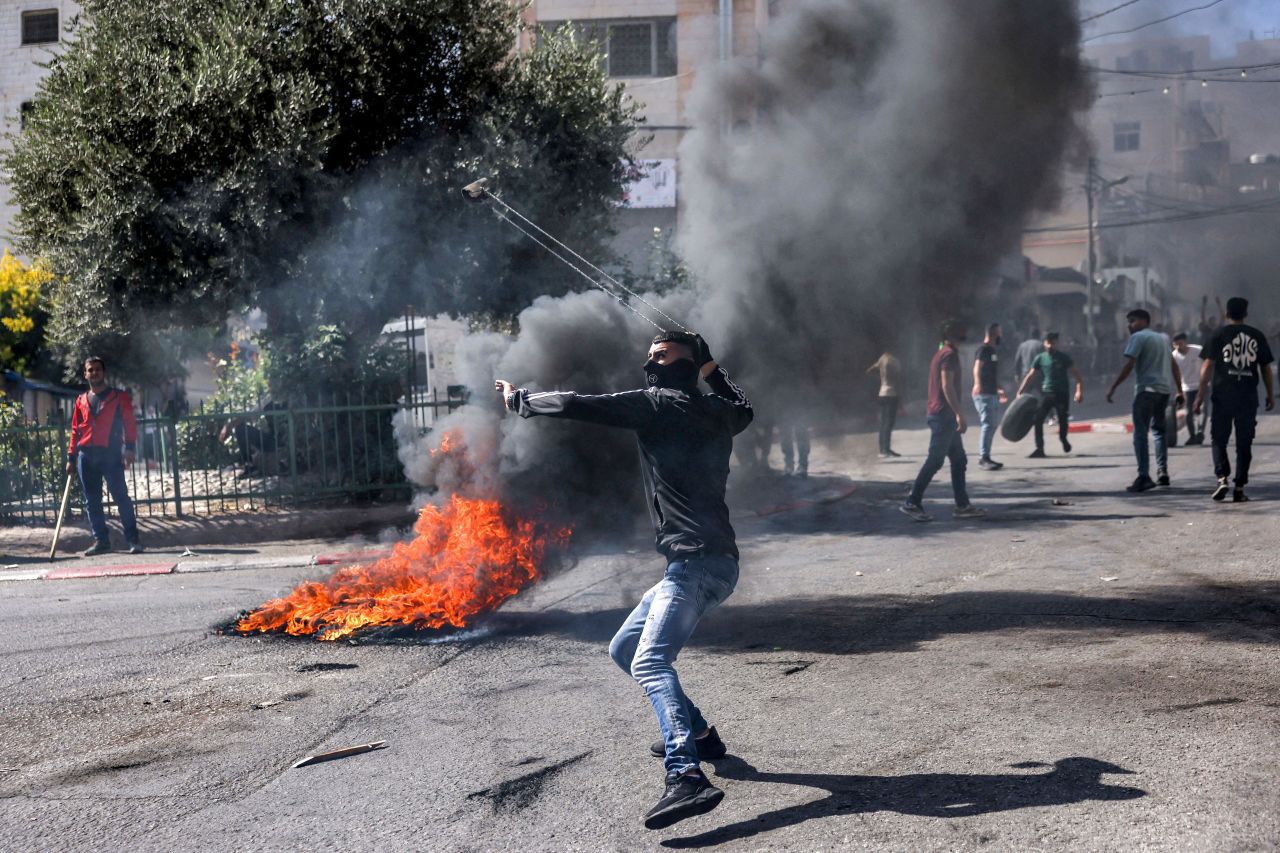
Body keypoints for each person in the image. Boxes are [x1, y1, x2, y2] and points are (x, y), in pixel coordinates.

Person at [495, 330, 752, 830]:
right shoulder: (720, 411)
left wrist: (518, 400)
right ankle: (700, 735)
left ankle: (686, 776)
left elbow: (579, 403)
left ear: (679, 365)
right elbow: (744, 404)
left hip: (696, 564)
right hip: (712, 565)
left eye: (660, 354)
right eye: (650, 353)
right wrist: (710, 366)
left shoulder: (655, 404)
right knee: (623, 650)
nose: (649, 360)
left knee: (652, 661)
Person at [900, 321, 985, 522]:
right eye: (961, 332)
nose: (964, 335)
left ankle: (962, 506)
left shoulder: (942, 353)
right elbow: (947, 386)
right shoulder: (948, 355)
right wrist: (959, 414)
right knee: (935, 460)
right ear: (951, 335)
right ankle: (912, 502)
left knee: (959, 460)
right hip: (943, 416)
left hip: (942, 416)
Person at [1195, 297, 1275, 502]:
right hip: (1247, 397)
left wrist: (1199, 396)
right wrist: (1269, 394)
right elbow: (1265, 367)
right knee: (1244, 442)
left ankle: (1222, 478)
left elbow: (1206, 367)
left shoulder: (1218, 334)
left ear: (1226, 314)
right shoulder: (1257, 336)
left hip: (1222, 396)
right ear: (1245, 314)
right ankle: (1239, 487)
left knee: (1218, 439)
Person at [66, 356, 142, 556]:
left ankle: (133, 539)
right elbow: (75, 430)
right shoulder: (81, 400)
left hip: (110, 453)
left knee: (120, 497)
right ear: (85, 374)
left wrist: (130, 447)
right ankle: (101, 541)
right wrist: (71, 457)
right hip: (86, 456)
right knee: (92, 501)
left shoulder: (119, 396)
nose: (94, 373)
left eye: (98, 369)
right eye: (90, 370)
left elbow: (129, 423)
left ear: (103, 372)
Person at [1105, 310, 1183, 492]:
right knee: (1158, 431)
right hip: (1163, 392)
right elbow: (1174, 366)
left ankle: (1144, 476)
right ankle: (1162, 472)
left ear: (1143, 321)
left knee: (1140, 432)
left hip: (1146, 391)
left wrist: (1113, 387)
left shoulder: (1138, 337)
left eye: (1132, 321)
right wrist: (1179, 390)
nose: (1129, 325)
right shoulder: (1163, 339)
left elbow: (1130, 364)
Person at [1016, 332, 1084, 458]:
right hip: (1047, 393)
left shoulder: (1064, 358)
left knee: (1063, 419)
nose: (1050, 345)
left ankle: (1063, 439)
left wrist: (1079, 391)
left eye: (1053, 343)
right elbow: (1030, 375)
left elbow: (1077, 375)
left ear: (1057, 343)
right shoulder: (1040, 358)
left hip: (1062, 393)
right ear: (1044, 343)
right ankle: (1039, 448)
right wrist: (1020, 391)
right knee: (1038, 419)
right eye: (1048, 343)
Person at [971, 322, 1008, 470]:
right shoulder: (983, 350)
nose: (1001, 335)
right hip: (983, 393)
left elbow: (991, 373)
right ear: (992, 334)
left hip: (992, 392)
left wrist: (998, 387)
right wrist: (977, 384)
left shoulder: (992, 351)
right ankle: (983, 458)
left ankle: (987, 456)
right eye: (999, 333)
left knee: (992, 425)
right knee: (987, 424)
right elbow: (977, 368)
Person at [866, 350, 901, 457]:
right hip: (891, 394)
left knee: (883, 423)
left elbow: (869, 371)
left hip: (882, 393)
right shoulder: (894, 361)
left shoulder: (882, 359)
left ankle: (883, 449)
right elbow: (899, 378)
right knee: (889, 423)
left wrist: (880, 379)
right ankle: (885, 449)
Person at [1171, 332, 1205, 445]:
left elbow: (1209, 363)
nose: (1178, 347)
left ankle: (1200, 432)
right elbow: (1174, 373)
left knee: (1202, 409)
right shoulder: (1174, 356)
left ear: (1185, 342)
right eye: (1175, 345)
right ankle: (1192, 436)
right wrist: (1178, 390)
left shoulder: (1198, 350)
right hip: (1187, 387)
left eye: (1180, 344)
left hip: (1202, 385)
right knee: (1188, 412)